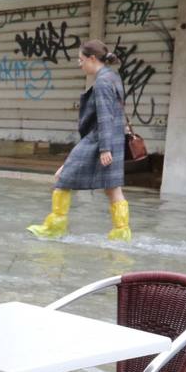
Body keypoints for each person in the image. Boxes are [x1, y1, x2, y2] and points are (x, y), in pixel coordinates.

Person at [27, 39, 132, 241]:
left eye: (81, 59)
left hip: (99, 140)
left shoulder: (102, 81)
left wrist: (104, 149)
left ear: (92, 58)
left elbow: (104, 115)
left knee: (62, 177)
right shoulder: (113, 76)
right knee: (112, 188)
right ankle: (122, 233)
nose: (79, 63)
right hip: (112, 138)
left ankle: (55, 227)